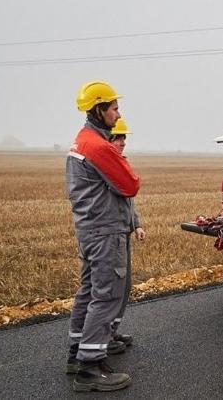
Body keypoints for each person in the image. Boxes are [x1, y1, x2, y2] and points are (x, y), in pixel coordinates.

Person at [65, 81, 140, 392]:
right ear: (99, 109)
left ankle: (76, 352)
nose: (117, 112)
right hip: (105, 230)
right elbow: (130, 184)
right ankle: (90, 368)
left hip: (90, 229)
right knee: (106, 294)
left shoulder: (82, 141)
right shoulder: (98, 147)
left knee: (89, 292)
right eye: (113, 107)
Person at [108, 118, 146, 350]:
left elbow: (128, 202)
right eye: (117, 138)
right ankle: (103, 338)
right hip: (111, 236)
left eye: (124, 138)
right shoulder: (105, 166)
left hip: (123, 233)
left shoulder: (120, 163)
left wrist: (137, 224)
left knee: (123, 287)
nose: (122, 142)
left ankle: (111, 332)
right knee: (112, 288)